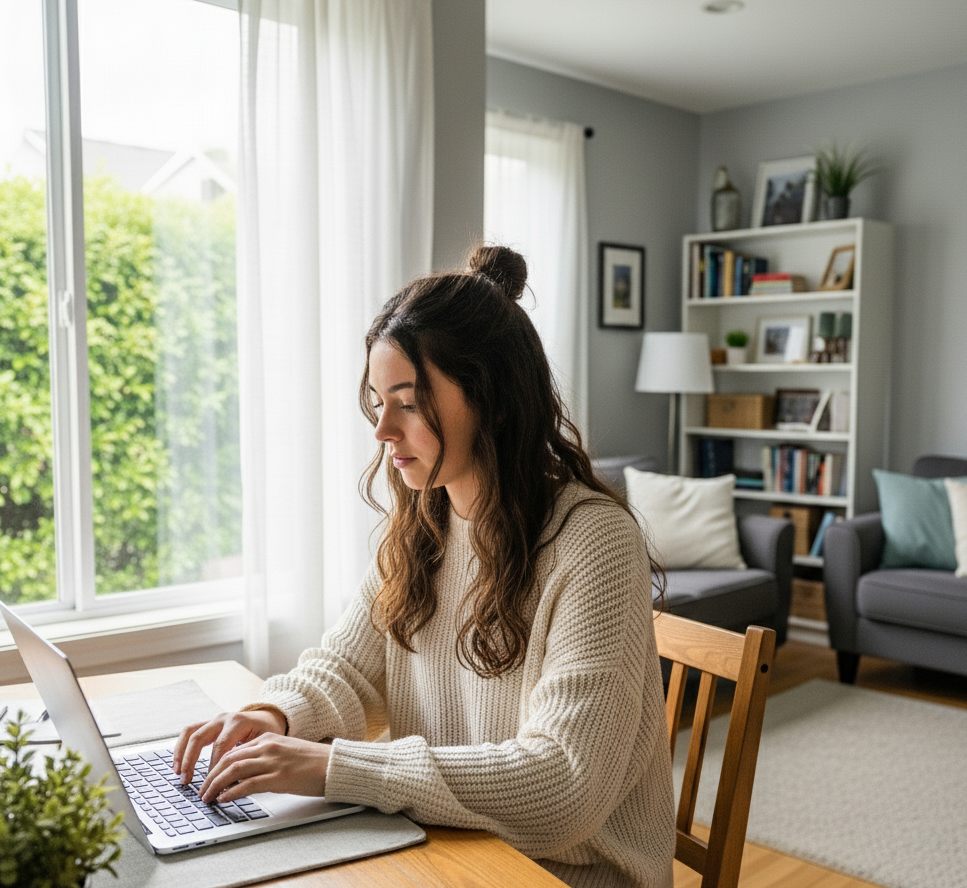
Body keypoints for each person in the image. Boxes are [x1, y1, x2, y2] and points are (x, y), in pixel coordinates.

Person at [173, 245, 676, 888]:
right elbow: (349, 668)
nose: (383, 430)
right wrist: (275, 716)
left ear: (493, 399)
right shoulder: (424, 522)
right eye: (378, 401)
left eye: (408, 403)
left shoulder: (594, 543)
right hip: (449, 849)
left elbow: (562, 786)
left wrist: (334, 769)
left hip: (565, 875)